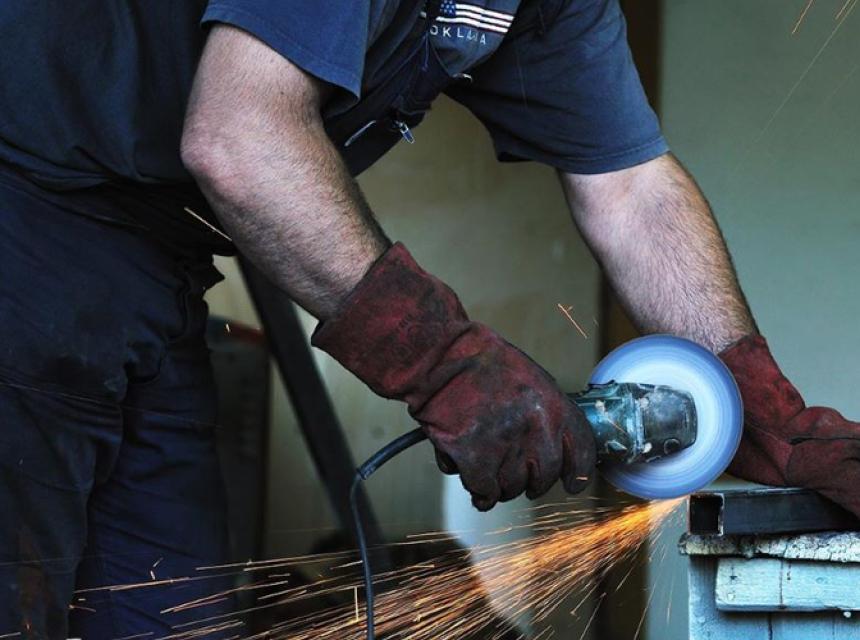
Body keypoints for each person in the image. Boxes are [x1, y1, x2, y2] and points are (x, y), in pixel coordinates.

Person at [0, 0, 857, 637]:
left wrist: (753, 394)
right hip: (26, 214)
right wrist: (447, 365)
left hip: (155, 266)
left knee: (170, 615)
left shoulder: (556, 7)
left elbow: (630, 188)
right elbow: (239, 137)